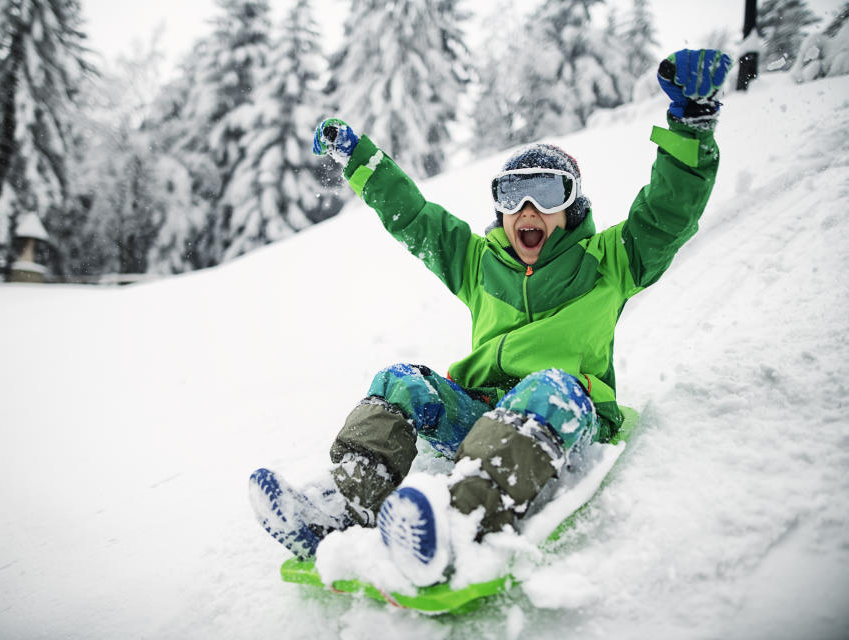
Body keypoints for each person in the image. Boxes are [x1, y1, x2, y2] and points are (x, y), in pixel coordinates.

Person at [249, 49, 733, 586]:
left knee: (549, 386)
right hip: (479, 414)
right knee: (401, 381)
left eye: (547, 192)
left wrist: (691, 127)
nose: (527, 208)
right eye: (511, 194)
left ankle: (457, 523)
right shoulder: (479, 263)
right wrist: (361, 159)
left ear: (572, 207)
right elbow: (414, 216)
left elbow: (668, 213)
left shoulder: (612, 261)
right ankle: (343, 504)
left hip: (566, 418)